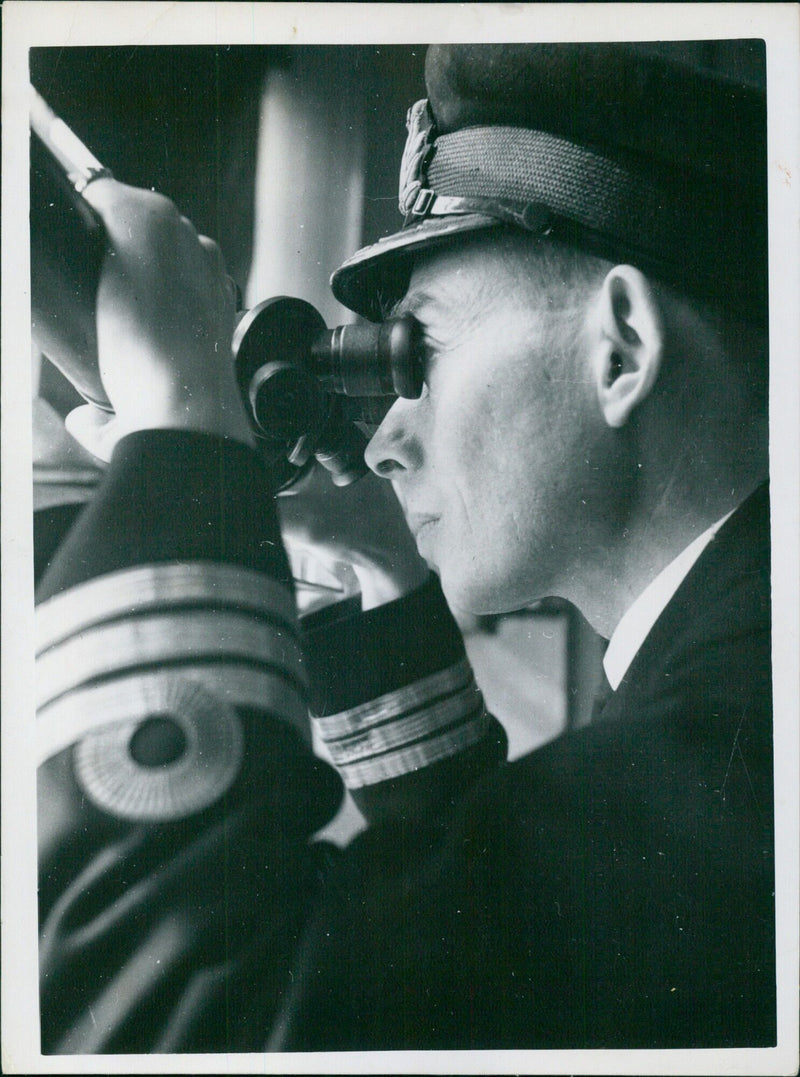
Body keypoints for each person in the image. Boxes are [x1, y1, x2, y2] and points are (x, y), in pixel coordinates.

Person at [35, 42, 774, 1053]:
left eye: (419, 350)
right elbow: (512, 973)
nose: (383, 437)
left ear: (621, 350)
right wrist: (376, 587)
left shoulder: (740, 739)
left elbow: (188, 1027)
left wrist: (183, 436)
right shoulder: (732, 684)